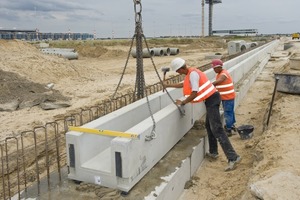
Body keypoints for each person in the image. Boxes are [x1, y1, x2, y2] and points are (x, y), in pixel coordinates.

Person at [163, 57, 241, 171]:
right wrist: (168, 85)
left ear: (181, 69)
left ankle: (233, 157)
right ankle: (213, 152)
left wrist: (183, 102)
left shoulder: (193, 75)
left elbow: (194, 93)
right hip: (211, 99)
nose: (178, 73)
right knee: (209, 126)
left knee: (217, 129)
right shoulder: (191, 73)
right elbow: (183, 85)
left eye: (177, 71)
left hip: (212, 100)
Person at [211, 59, 237, 137]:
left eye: (214, 68)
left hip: (228, 97)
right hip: (226, 97)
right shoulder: (219, 74)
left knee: (228, 113)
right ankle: (231, 125)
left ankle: (228, 130)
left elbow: (220, 80)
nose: (214, 70)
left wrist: (209, 84)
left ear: (218, 67)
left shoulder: (223, 74)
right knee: (230, 112)